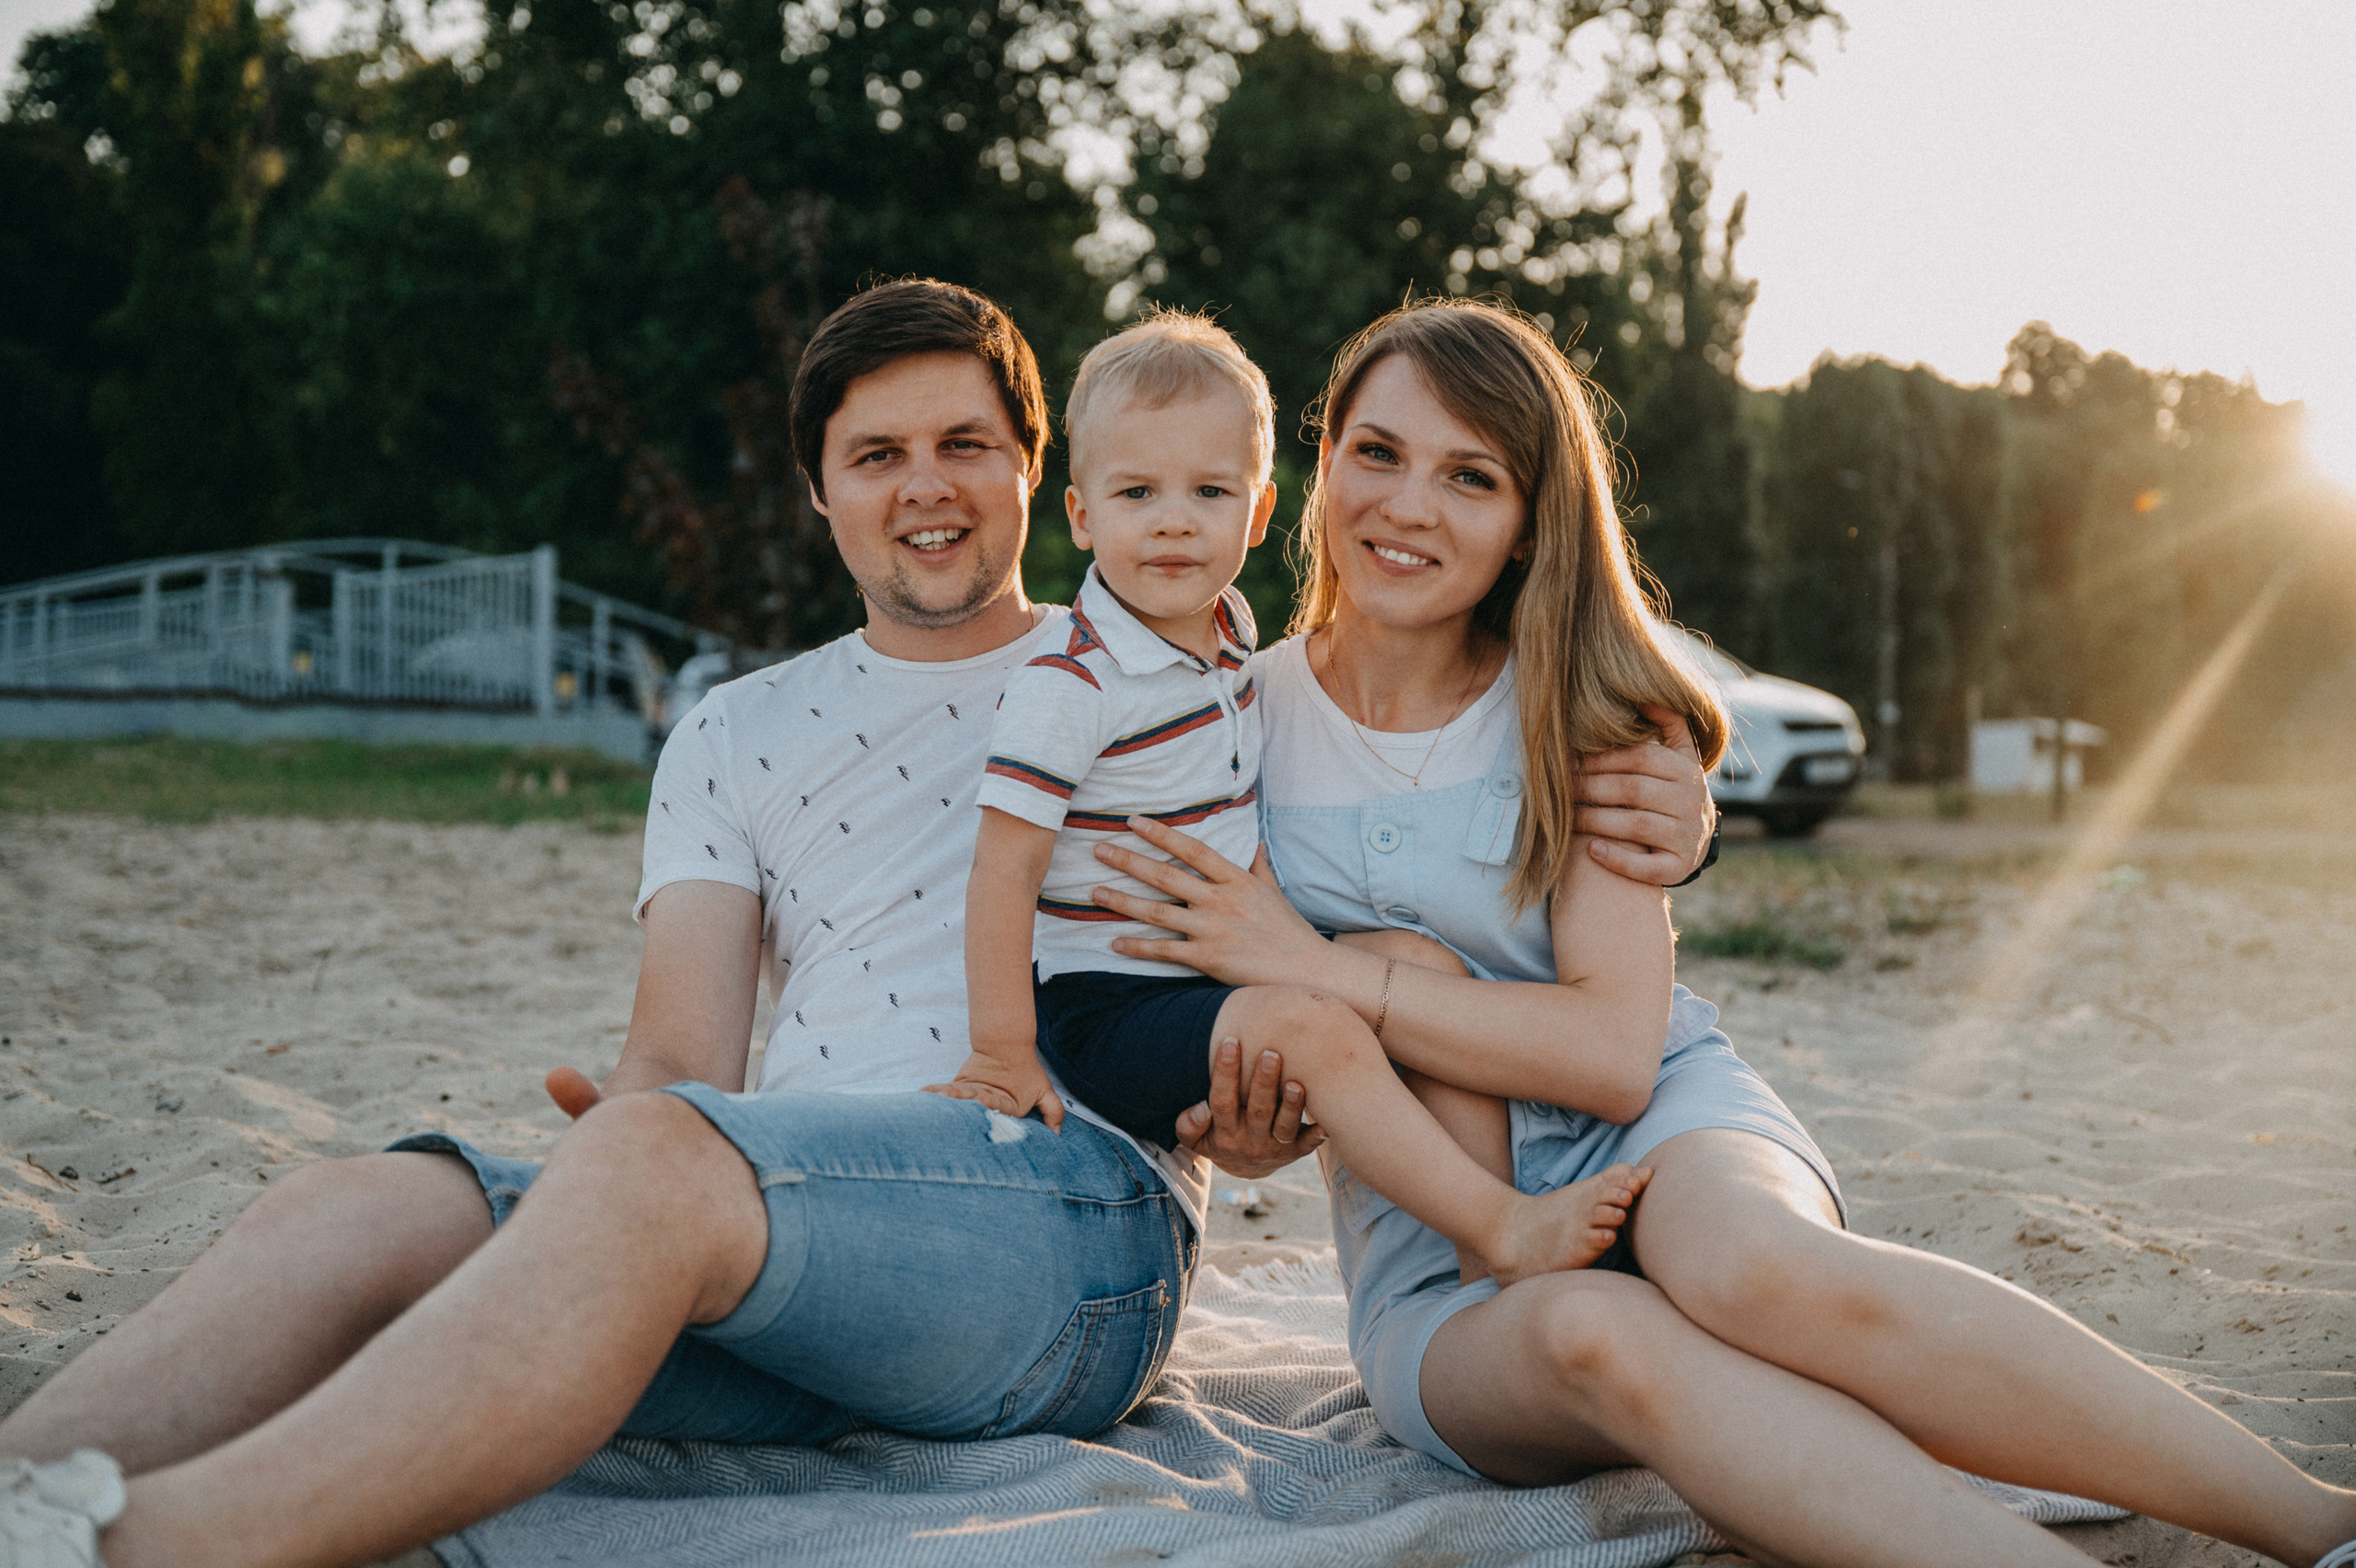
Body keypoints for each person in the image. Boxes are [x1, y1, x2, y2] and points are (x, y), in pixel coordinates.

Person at [0, 280, 1709, 1568]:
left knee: (663, 1166)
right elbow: (679, 1059)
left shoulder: (1179, 670)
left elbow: (1425, 748)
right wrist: (619, 1137)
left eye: (968, 441)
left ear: (1045, 475)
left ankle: (147, 1547)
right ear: (821, 493)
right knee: (365, 1203)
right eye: (876, 454)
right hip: (774, 1213)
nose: (928, 486)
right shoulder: (733, 730)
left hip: (1056, 1211)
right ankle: (27, 1494)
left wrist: (1676, 800)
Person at [1082, 296, 2356, 1567]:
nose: (1411, 506)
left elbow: (1613, 1057)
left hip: (1667, 1131)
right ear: (1318, 468)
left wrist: (1323, 970)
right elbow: (1211, 1021)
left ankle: (2321, 1527)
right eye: (1378, 453)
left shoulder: (1591, 713)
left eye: (1471, 476)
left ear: (1531, 522)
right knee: (1597, 1338)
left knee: (1756, 1271)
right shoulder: (1219, 722)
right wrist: (1247, 1121)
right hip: (1440, 1257)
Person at [932, 309, 1647, 1286]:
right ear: (1081, 515)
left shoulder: (1225, 643)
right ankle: (1500, 1226)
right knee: (1312, 1026)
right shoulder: (1075, 682)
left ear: (1260, 514)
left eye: (1208, 492)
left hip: (1203, 983)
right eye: (1137, 492)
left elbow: (1232, 818)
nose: (1175, 520)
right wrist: (1004, 1050)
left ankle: (1490, 1262)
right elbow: (1001, 870)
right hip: (1108, 1008)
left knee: (1417, 963)